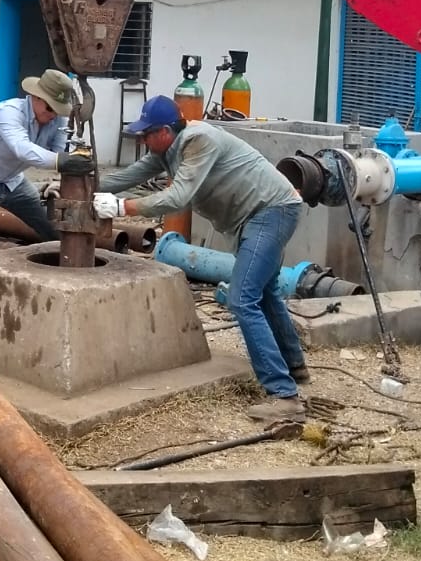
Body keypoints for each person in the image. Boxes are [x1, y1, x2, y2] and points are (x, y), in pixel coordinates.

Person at [95, 96, 309, 421]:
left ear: (165, 131)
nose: (142, 140)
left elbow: (179, 197)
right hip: (260, 216)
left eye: (146, 134)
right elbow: (129, 176)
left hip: (271, 211)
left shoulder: (198, 140)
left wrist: (123, 208)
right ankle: (295, 367)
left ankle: (284, 397)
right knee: (264, 293)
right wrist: (82, 186)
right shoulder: (167, 150)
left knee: (241, 299)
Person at [0, 68, 92, 256]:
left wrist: (60, 178)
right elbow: (22, 149)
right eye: (50, 108)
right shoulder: (8, 112)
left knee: (55, 231)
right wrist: (62, 161)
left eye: (58, 110)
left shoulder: (57, 120)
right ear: (35, 97)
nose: (53, 115)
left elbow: (59, 153)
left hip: (13, 183)